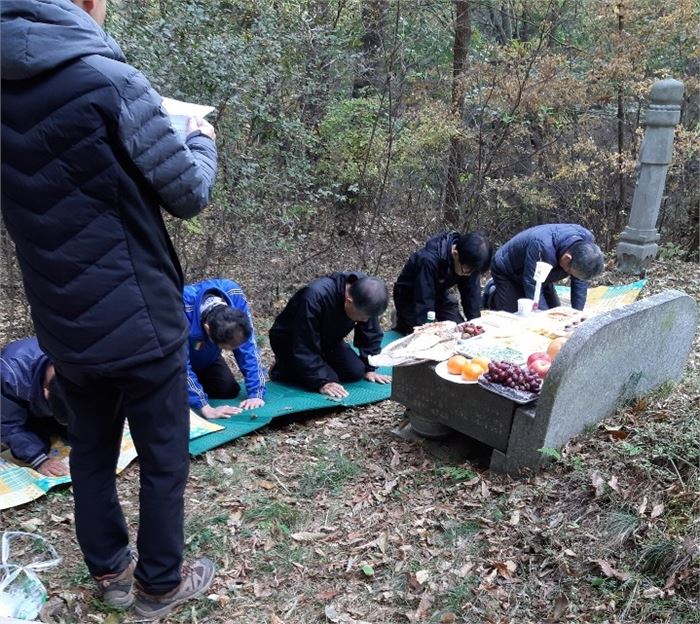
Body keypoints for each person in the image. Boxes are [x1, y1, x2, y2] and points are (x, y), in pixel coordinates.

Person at [1, 0, 217, 619]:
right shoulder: (109, 80)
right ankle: (158, 585)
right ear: (85, 5)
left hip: (62, 323)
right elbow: (188, 192)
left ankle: (110, 574)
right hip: (140, 318)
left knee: (91, 450)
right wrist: (201, 140)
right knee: (162, 455)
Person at [269, 273, 392, 399]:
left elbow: (371, 332)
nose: (365, 321)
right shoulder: (314, 297)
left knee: (355, 371)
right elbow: (303, 343)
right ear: (349, 301)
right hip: (291, 341)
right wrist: (322, 381)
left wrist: (369, 367)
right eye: (363, 317)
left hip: (328, 339)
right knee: (330, 379)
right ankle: (283, 368)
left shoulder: (366, 295)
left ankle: (317, 366)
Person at [184, 279, 266, 419]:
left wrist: (256, 393)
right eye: (225, 348)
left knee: (227, 390)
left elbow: (248, 346)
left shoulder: (233, 293)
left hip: (206, 357)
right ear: (207, 329)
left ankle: (193, 388)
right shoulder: (179, 306)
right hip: (170, 363)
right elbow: (179, 363)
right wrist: (204, 407)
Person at [393, 231, 493, 334]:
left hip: (438, 293)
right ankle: (400, 320)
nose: (468, 275)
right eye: (467, 271)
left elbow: (471, 295)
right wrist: (426, 330)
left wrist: (475, 324)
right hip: (411, 297)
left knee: (458, 330)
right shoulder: (428, 260)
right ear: (455, 254)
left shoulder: (468, 262)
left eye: (473, 272)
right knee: (423, 334)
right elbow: (423, 301)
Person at [489, 224, 604, 312]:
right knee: (519, 315)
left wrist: (577, 313)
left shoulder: (586, 244)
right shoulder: (542, 246)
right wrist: (543, 318)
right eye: (570, 272)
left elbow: (579, 280)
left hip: (543, 271)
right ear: (567, 259)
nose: (569, 274)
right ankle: (492, 294)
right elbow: (532, 285)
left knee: (556, 312)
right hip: (508, 270)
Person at [1, 337, 69, 477]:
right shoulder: (9, 375)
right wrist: (40, 460)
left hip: (44, 402)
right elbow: (9, 424)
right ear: (45, 391)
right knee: (33, 445)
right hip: (24, 409)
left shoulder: (79, 362)